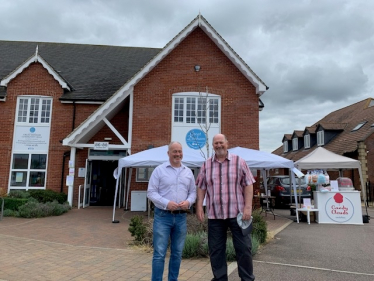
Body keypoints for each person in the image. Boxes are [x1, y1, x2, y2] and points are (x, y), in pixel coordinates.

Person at [196, 134, 255, 281]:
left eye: (221, 142)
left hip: (238, 214)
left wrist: (248, 207)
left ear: (227, 144)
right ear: (213, 145)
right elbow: (201, 186)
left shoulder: (239, 162)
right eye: (215, 143)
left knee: (244, 249)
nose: (218, 145)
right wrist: (199, 206)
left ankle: (247, 279)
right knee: (216, 251)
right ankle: (220, 279)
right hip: (215, 216)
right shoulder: (206, 164)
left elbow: (248, 184)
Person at [147, 141, 197, 281]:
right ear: (168, 153)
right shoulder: (159, 170)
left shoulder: (188, 172)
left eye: (179, 151)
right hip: (163, 216)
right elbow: (151, 192)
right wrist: (166, 203)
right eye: (174, 151)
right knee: (159, 254)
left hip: (181, 218)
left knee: (177, 253)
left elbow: (193, 192)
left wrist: (188, 201)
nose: (177, 154)